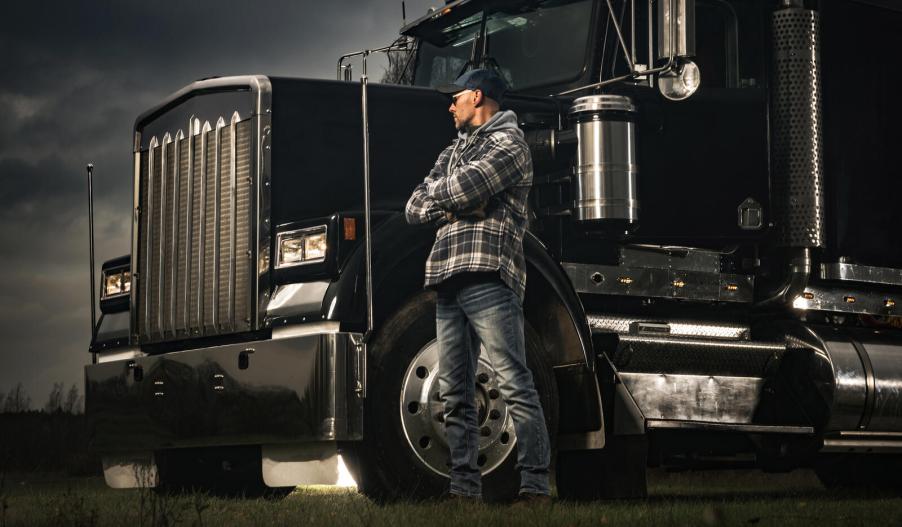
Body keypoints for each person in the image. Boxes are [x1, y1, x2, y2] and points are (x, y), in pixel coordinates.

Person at [404, 69, 551, 502]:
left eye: (456, 97)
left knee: (513, 383)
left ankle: (535, 487)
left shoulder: (510, 145)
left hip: (488, 275)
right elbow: (413, 206)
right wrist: (457, 206)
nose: (450, 105)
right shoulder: (453, 150)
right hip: (447, 278)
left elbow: (468, 186)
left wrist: (448, 198)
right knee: (453, 391)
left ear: (478, 95)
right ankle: (464, 490)